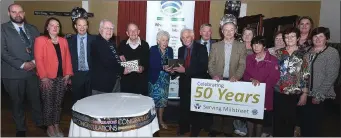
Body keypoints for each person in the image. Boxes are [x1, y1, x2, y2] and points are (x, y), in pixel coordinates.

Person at [1, 3, 43, 137]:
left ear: (24, 13)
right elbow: (2, 52)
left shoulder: (33, 29)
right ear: (9, 14)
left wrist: (34, 62)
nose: (17, 15)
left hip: (32, 72)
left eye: (20, 12)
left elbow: (40, 48)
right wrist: (22, 65)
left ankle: (39, 121)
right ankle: (20, 127)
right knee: (16, 101)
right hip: (13, 73)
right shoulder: (2, 29)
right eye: (14, 12)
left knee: (36, 99)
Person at [34, 17, 73, 137]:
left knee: (58, 103)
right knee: (48, 103)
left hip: (62, 78)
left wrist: (68, 74)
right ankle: (49, 127)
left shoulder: (63, 40)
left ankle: (56, 124)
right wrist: (43, 77)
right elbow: (38, 59)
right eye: (52, 25)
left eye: (57, 26)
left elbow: (67, 58)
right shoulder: (40, 40)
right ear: (47, 27)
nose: (55, 27)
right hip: (47, 78)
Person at [208, 22, 247, 136]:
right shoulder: (215, 46)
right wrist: (214, 75)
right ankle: (216, 128)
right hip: (218, 80)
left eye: (231, 29)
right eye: (226, 30)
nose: (229, 32)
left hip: (233, 80)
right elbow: (211, 64)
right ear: (222, 31)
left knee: (230, 107)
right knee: (216, 105)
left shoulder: (241, 46)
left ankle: (228, 130)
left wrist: (237, 76)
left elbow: (242, 64)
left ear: (235, 31)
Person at [300, 27, 340, 137]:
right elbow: (303, 72)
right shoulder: (307, 51)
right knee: (304, 125)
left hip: (321, 97)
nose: (317, 39)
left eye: (321, 36)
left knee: (315, 128)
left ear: (326, 38)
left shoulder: (332, 53)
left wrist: (319, 95)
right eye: (315, 36)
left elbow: (331, 76)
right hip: (306, 94)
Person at [272, 27, 308, 137]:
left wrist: (305, 93)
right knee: (277, 121)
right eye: (286, 37)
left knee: (290, 122)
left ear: (297, 38)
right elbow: (273, 71)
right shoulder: (278, 53)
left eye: (292, 36)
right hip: (278, 92)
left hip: (294, 93)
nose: (289, 39)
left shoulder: (303, 54)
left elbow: (305, 74)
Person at [174, 28, 209, 136]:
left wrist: (186, 70)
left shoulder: (201, 48)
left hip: (197, 83)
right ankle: (183, 128)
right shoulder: (180, 49)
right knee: (183, 108)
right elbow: (179, 67)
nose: (185, 39)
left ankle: (195, 131)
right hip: (184, 83)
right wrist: (172, 70)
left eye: (187, 37)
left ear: (193, 37)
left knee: (196, 109)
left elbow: (203, 67)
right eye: (183, 38)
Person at [243, 36, 280, 137]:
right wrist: (251, 80)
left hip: (265, 94)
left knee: (260, 119)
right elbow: (245, 74)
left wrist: (260, 90)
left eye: (259, 44)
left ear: (264, 46)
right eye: (254, 44)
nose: (256, 47)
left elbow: (273, 78)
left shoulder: (272, 60)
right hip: (250, 93)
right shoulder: (249, 58)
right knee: (249, 116)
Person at [90, 19, 128, 94]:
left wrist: (120, 57)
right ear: (100, 30)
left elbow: (115, 59)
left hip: (114, 82)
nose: (109, 30)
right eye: (106, 28)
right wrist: (124, 69)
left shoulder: (111, 43)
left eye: (111, 29)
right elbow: (108, 62)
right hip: (102, 86)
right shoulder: (97, 43)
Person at [232, 27, 256, 136]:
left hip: (250, 80)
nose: (247, 36)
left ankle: (247, 128)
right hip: (237, 78)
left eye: (249, 34)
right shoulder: (237, 47)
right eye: (245, 34)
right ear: (242, 36)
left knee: (248, 105)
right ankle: (238, 126)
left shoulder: (256, 48)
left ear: (253, 36)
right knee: (237, 103)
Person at [148, 30, 174, 129]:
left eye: (167, 40)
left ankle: (161, 120)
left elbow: (171, 63)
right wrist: (162, 67)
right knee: (152, 101)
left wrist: (172, 70)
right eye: (163, 40)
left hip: (165, 80)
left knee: (163, 101)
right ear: (158, 41)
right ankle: (151, 121)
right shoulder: (153, 49)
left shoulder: (170, 50)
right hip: (154, 79)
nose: (165, 42)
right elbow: (151, 64)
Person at [67, 17, 95, 105]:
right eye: (79, 25)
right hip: (76, 75)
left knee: (91, 102)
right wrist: (68, 75)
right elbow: (67, 59)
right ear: (75, 26)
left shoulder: (94, 40)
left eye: (84, 25)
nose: (82, 28)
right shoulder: (69, 41)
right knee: (77, 102)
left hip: (91, 75)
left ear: (87, 26)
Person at [118, 23, 150, 95]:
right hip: (126, 84)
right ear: (127, 33)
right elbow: (117, 64)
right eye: (130, 30)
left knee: (141, 105)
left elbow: (147, 63)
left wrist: (142, 68)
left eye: (135, 30)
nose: (133, 33)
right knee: (126, 105)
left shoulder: (145, 45)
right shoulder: (122, 45)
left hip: (141, 84)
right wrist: (122, 69)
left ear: (138, 32)